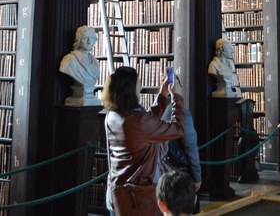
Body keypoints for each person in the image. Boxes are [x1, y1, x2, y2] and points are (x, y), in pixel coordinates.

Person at [103, 66, 184, 215]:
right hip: (138, 198)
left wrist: (162, 94)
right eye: (138, 81)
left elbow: (145, 124)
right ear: (131, 88)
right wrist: (176, 97)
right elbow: (178, 129)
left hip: (117, 192)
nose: (141, 84)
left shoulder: (112, 116)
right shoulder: (139, 121)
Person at [157, 95, 201, 213]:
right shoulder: (182, 113)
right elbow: (190, 146)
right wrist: (197, 176)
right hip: (178, 176)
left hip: (160, 176)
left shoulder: (154, 112)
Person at [59, 25, 100, 106]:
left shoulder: (94, 61)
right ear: (79, 40)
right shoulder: (69, 60)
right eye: (86, 38)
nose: (89, 42)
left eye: (92, 39)